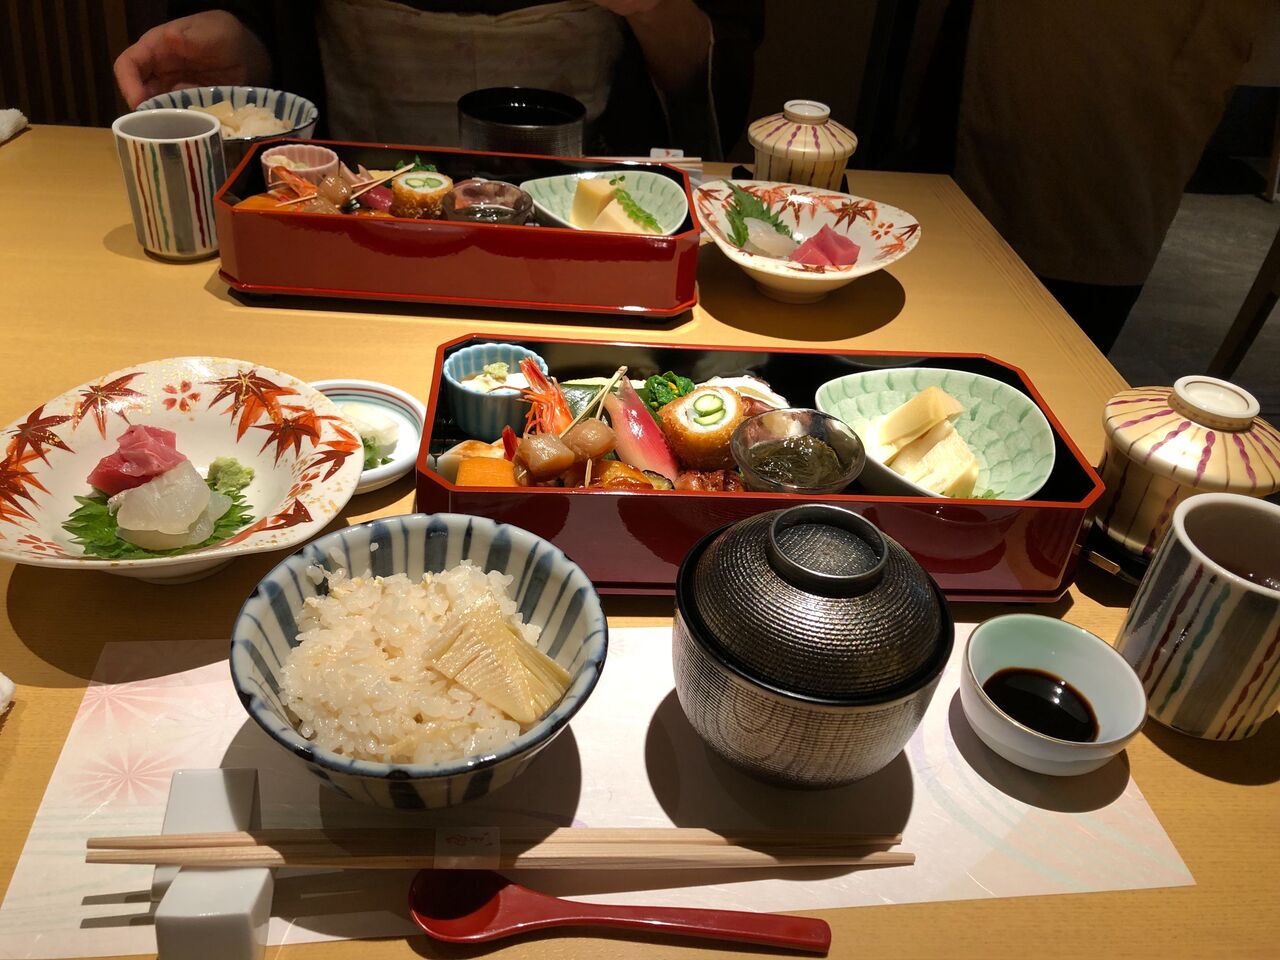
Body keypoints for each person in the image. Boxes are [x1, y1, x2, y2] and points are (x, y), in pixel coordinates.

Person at [114, 1, 764, 159]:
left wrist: (656, 9)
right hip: (350, 188)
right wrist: (247, 58)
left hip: (584, 196)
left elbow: (708, 69)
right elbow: (275, 25)